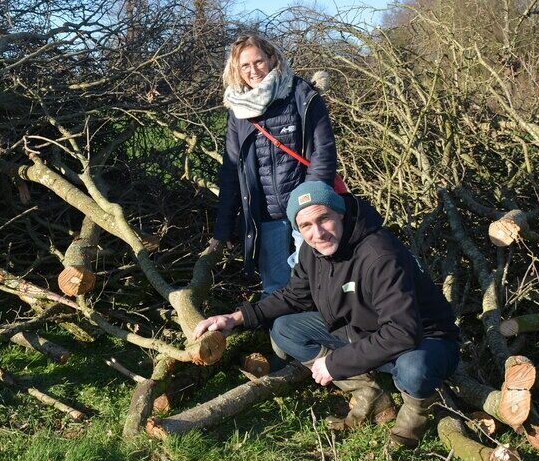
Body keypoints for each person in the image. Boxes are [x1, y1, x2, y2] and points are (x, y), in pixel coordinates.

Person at [193, 181, 460, 447]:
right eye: (306, 226)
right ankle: (370, 395)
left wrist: (335, 364)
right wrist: (235, 318)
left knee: (415, 370)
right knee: (286, 328)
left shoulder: (379, 254)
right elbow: (293, 296)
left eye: (324, 219)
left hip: (422, 341)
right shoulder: (312, 251)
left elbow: (402, 332)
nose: (317, 232)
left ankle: (410, 425)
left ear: (340, 213)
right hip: (362, 332)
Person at [207, 33, 337, 296]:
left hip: (306, 213)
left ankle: (323, 335)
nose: (253, 70)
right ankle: (282, 336)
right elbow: (232, 170)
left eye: (258, 61)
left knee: (319, 285)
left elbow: (323, 151)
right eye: (245, 66)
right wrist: (221, 231)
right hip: (265, 216)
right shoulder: (238, 111)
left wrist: (309, 201)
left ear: (272, 58)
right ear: (237, 69)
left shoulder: (301, 95)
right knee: (276, 289)